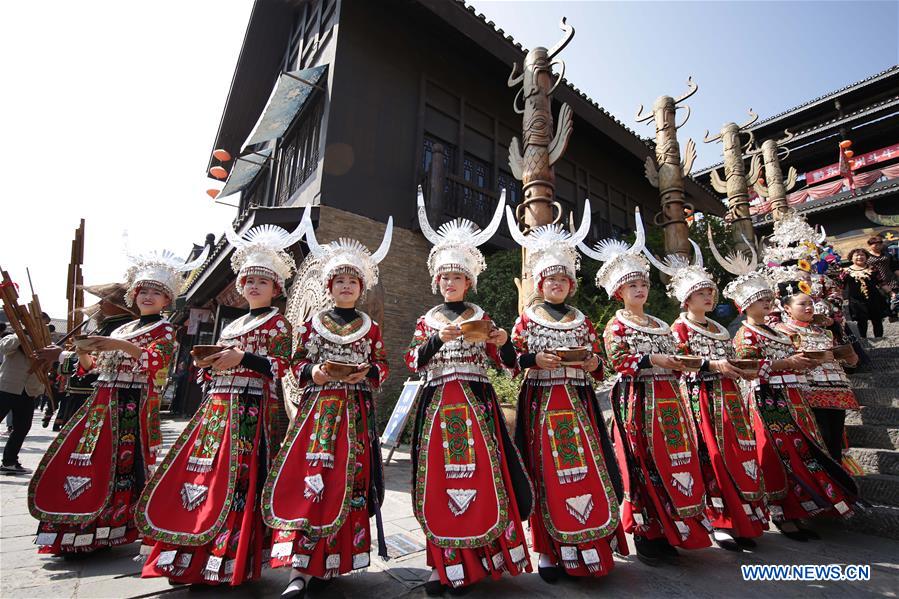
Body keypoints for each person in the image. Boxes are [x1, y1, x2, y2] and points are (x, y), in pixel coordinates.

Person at [137, 219, 303, 587]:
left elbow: (280, 366)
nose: (254, 286)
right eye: (249, 281)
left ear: (275, 288)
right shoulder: (232, 325)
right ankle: (188, 545)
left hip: (250, 407)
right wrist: (209, 365)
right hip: (215, 407)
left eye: (262, 281)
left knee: (237, 477)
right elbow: (216, 366)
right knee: (201, 472)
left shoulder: (278, 324)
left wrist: (242, 359)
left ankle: (228, 554)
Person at [28, 246, 206, 555]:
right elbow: (90, 368)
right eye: (143, 291)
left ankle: (109, 525)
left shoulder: (164, 329)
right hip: (101, 399)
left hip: (130, 402)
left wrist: (118, 344)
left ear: (167, 301)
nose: (147, 296)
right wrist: (83, 350)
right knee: (86, 458)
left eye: (156, 292)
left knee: (119, 462)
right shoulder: (124, 327)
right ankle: (73, 521)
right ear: (133, 296)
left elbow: (154, 363)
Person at [404, 190, 532, 595]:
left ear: (469, 282)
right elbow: (412, 362)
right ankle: (439, 563)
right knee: (437, 480)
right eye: (444, 277)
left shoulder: (481, 316)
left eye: (456, 277)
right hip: (438, 402)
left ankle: (484, 557)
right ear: (437, 281)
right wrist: (435, 342)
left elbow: (508, 363)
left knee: (484, 477)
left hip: (477, 402)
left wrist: (501, 338)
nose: (449, 282)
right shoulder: (427, 320)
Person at [262, 215, 392, 599]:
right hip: (316, 414)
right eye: (340, 281)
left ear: (361, 288)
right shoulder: (311, 324)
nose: (347, 286)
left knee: (348, 480)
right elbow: (295, 362)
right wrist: (314, 372)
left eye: (353, 281)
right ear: (329, 287)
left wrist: (367, 372)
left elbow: (383, 366)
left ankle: (335, 559)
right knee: (310, 477)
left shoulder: (371, 328)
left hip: (354, 413)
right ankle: (299, 567)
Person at [580, 208, 711, 566]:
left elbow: (677, 355)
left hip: (670, 398)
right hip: (637, 399)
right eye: (632, 285)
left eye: (643, 284)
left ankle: (677, 528)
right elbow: (619, 360)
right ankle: (648, 533)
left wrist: (678, 363)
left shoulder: (660, 324)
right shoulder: (616, 325)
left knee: (675, 458)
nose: (639, 289)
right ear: (618, 292)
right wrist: (654, 361)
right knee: (642, 461)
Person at [507, 202, 627, 582]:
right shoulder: (527, 318)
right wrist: (532, 361)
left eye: (563, 281)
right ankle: (546, 550)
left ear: (571, 285)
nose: (556, 285)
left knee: (587, 469)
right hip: (541, 400)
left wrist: (593, 365)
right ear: (539, 284)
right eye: (549, 280)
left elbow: (599, 360)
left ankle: (595, 541)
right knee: (545, 471)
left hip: (578, 403)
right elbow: (512, 358)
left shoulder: (583, 319)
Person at [710, 237, 858, 541]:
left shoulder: (776, 332)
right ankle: (781, 511)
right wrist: (786, 364)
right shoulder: (744, 334)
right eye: (760, 300)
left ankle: (800, 508)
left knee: (800, 450)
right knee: (775, 453)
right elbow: (747, 367)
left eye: (768, 298)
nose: (766, 303)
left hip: (792, 395)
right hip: (766, 397)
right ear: (745, 305)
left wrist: (798, 364)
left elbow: (788, 359)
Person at [651, 236, 765, 552]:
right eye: (702, 293)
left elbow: (730, 358)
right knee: (709, 455)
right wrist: (713, 367)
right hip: (698, 398)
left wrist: (741, 369)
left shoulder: (719, 328)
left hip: (729, 397)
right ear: (686, 299)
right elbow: (681, 364)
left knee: (738, 453)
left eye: (711, 293)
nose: (709, 297)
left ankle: (745, 519)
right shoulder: (678, 329)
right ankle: (719, 520)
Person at [774, 283, 859, 464]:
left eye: (811, 303)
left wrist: (849, 357)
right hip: (807, 391)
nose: (808, 307)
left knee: (836, 439)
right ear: (787, 308)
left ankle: (839, 480)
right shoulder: (781, 332)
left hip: (837, 390)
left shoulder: (824, 331)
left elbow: (843, 359)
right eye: (802, 304)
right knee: (821, 438)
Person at [35, 283, 139, 431]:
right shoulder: (109, 326)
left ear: (122, 305)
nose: (100, 303)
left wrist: (60, 355)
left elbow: (100, 363)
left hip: (94, 396)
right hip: (84, 395)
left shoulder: (120, 329)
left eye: (105, 300)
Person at [0, 313, 50, 475]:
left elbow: (47, 365)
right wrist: (22, 335)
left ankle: (9, 461)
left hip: (28, 391)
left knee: (22, 427)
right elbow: (4, 348)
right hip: (8, 387)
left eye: (45, 325)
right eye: (40, 324)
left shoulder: (44, 342)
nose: (43, 327)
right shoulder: (13, 337)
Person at [840, 248, 889, 338]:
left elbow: (881, 282)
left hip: (874, 298)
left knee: (877, 320)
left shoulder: (873, 269)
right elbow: (841, 286)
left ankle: (880, 339)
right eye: (856, 255)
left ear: (866, 257)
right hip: (856, 301)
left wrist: (891, 292)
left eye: (862, 255)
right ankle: (863, 340)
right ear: (851, 258)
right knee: (862, 321)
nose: (859, 257)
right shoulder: (846, 272)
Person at [865, 235, 899, 321]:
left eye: (879, 244)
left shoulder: (887, 254)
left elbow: (894, 266)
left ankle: (894, 315)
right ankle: (888, 314)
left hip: (890, 278)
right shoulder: (866, 256)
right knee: (884, 298)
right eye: (875, 245)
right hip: (876, 281)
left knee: (895, 297)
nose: (878, 246)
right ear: (870, 245)